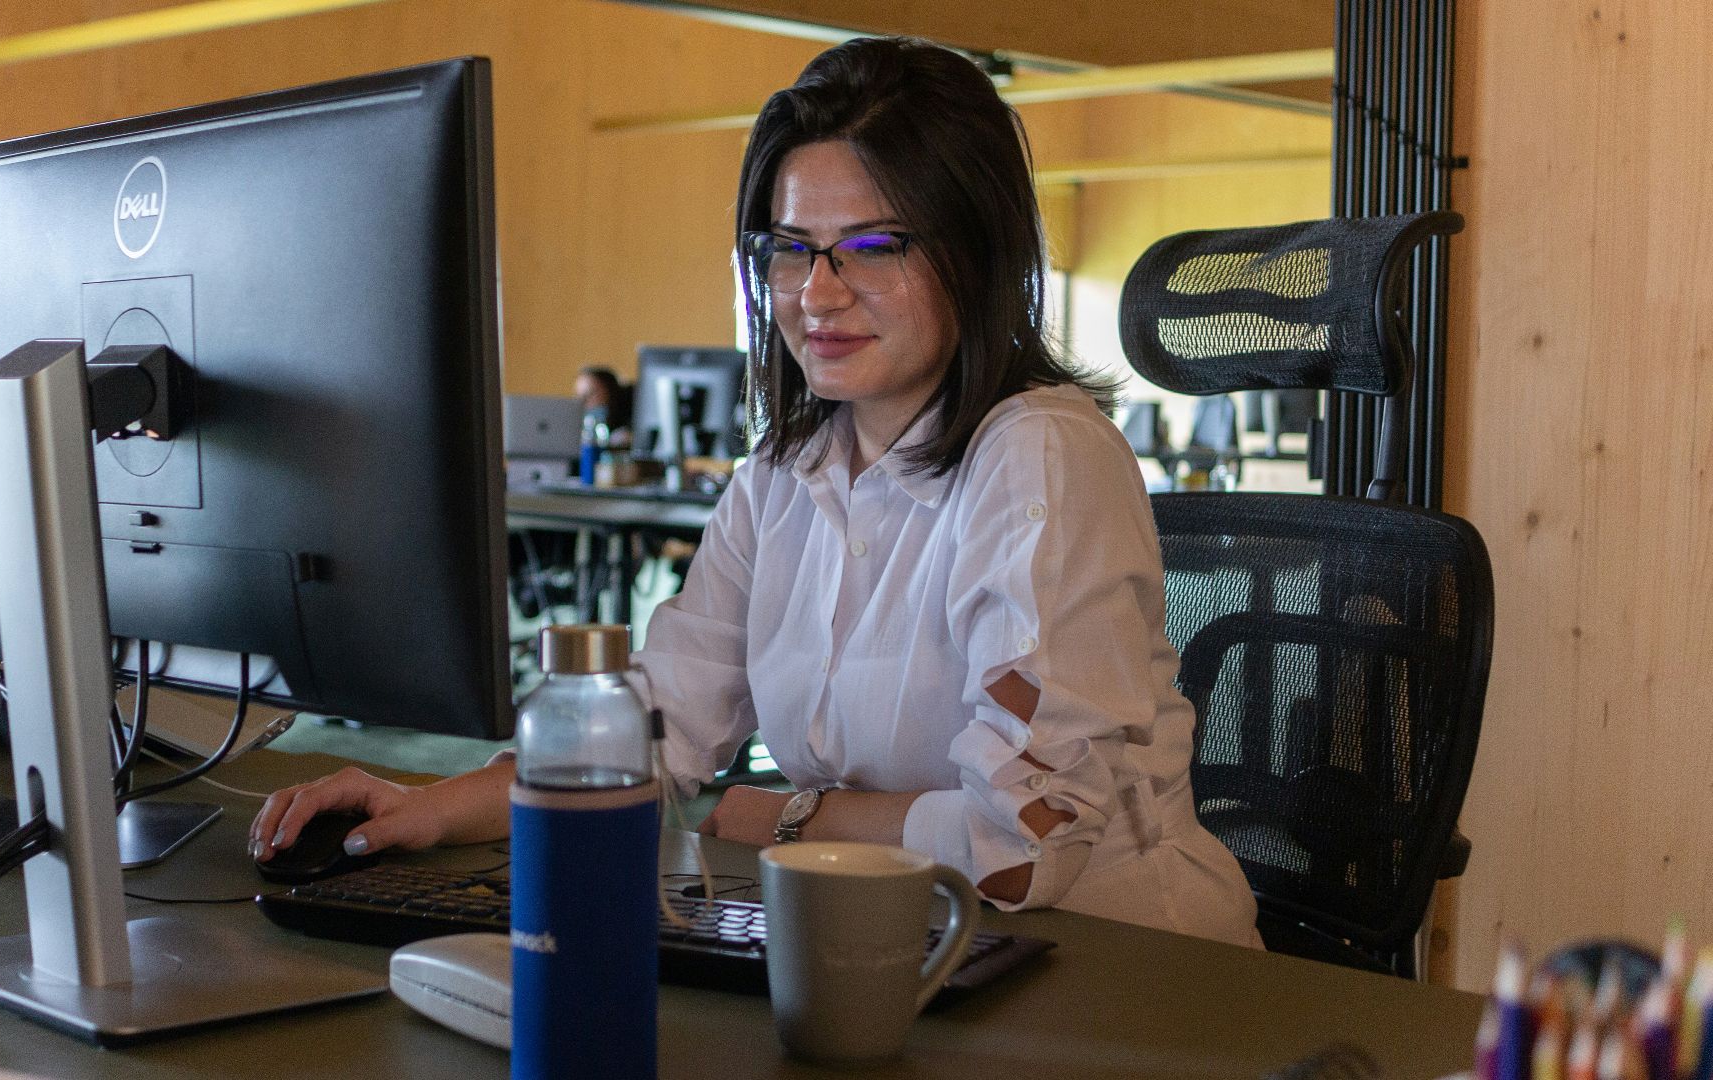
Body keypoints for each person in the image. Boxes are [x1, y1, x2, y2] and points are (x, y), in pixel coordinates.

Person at [251, 37, 1261, 948]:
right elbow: (655, 730)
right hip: (891, 942)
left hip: (1113, 966)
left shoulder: (1039, 458)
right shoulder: (786, 476)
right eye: (788, 249)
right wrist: (429, 805)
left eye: (873, 246)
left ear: (975, 250)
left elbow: (1023, 847)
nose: (815, 294)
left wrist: (779, 817)